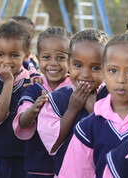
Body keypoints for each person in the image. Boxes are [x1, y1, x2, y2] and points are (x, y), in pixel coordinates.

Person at [58, 22, 128, 178]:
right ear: (103, 70)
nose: (121, 80)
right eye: (113, 70)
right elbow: (73, 173)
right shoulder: (89, 127)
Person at [37, 28, 110, 176]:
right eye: (78, 65)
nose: (85, 74)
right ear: (69, 64)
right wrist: (72, 109)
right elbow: (52, 143)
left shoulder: (111, 97)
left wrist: (94, 110)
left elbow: (116, 136)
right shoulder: (56, 100)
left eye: (95, 67)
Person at [0, 20, 39, 178]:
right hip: (1, 159)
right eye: (0, 54)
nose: (7, 61)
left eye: (14, 55)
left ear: (26, 55)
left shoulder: (33, 79)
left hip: (28, 159)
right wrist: (8, 82)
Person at [13, 26, 72, 177]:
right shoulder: (34, 88)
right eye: (46, 57)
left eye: (60, 58)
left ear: (72, 60)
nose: (53, 63)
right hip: (38, 167)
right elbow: (22, 122)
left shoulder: (75, 88)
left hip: (69, 167)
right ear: (38, 58)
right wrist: (33, 109)